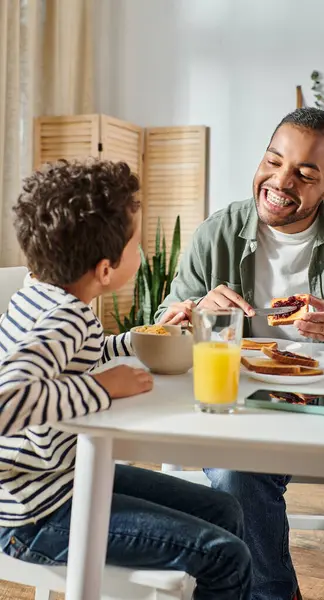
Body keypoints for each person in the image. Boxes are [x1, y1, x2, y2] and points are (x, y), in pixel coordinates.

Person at [155, 107, 324, 600]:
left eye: (306, 174)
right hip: (248, 400)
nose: (280, 181)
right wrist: (198, 310)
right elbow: (164, 323)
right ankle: (274, 595)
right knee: (234, 473)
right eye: (273, 161)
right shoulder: (216, 232)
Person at [0, 159, 252, 600]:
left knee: (225, 507)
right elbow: (7, 400)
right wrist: (103, 388)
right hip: (32, 517)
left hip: (61, 479)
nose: (142, 253)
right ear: (104, 270)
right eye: (136, 244)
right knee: (227, 555)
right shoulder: (64, 317)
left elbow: (85, 354)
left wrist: (148, 338)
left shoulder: (46, 295)